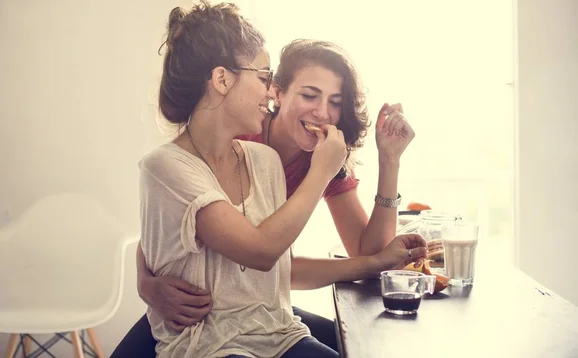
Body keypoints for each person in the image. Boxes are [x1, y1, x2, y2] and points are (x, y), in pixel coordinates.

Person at [112, 28, 425, 357]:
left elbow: (365, 251)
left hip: (257, 310)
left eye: (335, 102)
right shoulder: (237, 136)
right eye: (309, 95)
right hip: (196, 312)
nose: (323, 112)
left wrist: (389, 160)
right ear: (277, 92)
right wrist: (145, 283)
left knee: (356, 343)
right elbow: (170, 221)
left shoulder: (322, 157)